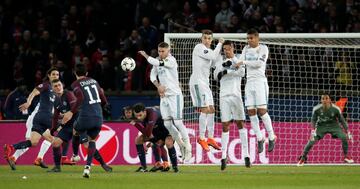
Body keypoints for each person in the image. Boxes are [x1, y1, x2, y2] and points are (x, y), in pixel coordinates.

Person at [138, 42, 192, 162]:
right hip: (164, 97)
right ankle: (181, 145)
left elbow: (157, 62)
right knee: (167, 124)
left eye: (163, 51)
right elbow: (152, 76)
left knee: (177, 122)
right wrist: (158, 86)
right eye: (159, 51)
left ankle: (188, 146)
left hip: (175, 96)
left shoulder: (171, 60)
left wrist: (146, 56)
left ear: (168, 51)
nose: (161, 53)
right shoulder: (157, 60)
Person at [48, 79, 112, 172]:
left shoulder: (69, 95)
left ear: (62, 85)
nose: (58, 87)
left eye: (59, 85)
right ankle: (57, 167)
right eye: (55, 86)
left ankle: (103, 164)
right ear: (52, 89)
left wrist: (68, 114)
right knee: (55, 143)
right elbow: (55, 116)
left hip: (78, 122)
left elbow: (76, 108)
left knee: (86, 145)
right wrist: (53, 128)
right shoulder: (56, 100)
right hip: (67, 126)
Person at [61, 62, 111, 178]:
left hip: (85, 117)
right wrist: (103, 105)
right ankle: (88, 167)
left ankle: (74, 155)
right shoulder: (94, 81)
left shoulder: (75, 84)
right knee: (91, 141)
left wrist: (71, 112)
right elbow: (103, 99)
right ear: (87, 73)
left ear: (74, 73)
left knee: (75, 129)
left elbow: (81, 97)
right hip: (98, 117)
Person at [4, 67, 60, 170]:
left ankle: (38, 158)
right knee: (32, 141)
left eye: (57, 75)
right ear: (49, 76)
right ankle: (14, 155)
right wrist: (29, 102)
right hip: (36, 118)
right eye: (53, 74)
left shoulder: (54, 92)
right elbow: (34, 92)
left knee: (45, 139)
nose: (55, 76)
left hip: (45, 118)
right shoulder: (45, 86)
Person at [234, 28, 276, 153]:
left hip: (260, 82)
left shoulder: (263, 48)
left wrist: (243, 62)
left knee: (262, 111)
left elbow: (258, 63)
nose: (249, 40)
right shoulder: (245, 49)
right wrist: (232, 62)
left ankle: (272, 136)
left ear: (257, 38)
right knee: (251, 112)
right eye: (247, 38)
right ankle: (260, 138)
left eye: (251, 38)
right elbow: (239, 61)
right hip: (249, 82)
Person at [214, 40, 250, 170]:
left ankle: (246, 155)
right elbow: (216, 76)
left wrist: (229, 70)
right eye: (224, 49)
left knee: (241, 123)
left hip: (236, 96)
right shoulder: (220, 61)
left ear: (233, 49)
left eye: (228, 49)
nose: (226, 51)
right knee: (225, 125)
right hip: (224, 96)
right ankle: (223, 157)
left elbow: (242, 73)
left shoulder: (239, 60)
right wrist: (225, 70)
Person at [189, 29, 224, 152]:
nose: (207, 40)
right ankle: (201, 138)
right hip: (197, 83)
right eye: (205, 38)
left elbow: (216, 60)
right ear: (201, 38)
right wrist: (220, 43)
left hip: (205, 84)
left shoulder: (209, 51)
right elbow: (214, 55)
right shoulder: (199, 47)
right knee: (204, 109)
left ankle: (210, 138)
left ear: (211, 39)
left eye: (209, 38)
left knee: (212, 110)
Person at [297, 94, 354, 166]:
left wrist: (348, 131)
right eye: (323, 98)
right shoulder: (316, 109)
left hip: (334, 126)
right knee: (311, 141)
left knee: (343, 137)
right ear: (321, 100)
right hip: (321, 126)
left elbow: (342, 120)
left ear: (330, 100)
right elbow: (313, 120)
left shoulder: (336, 109)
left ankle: (346, 156)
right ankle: (303, 158)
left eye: (326, 98)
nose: (324, 100)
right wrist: (313, 130)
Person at [130, 103, 179, 173]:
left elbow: (147, 133)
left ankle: (175, 167)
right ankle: (143, 168)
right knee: (138, 140)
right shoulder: (143, 112)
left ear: (144, 111)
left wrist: (136, 124)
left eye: (140, 115)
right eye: (136, 116)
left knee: (168, 143)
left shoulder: (152, 115)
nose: (139, 118)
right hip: (156, 131)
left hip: (168, 130)